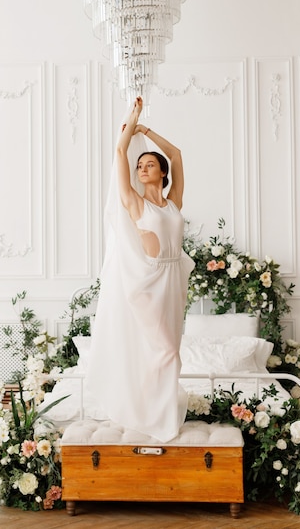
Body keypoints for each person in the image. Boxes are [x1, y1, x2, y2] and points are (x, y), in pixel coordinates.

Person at [86, 96, 194, 442]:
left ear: (161, 173)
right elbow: (120, 154)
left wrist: (148, 130)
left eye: (150, 164)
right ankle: (157, 419)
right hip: (147, 283)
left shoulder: (173, 203)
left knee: (165, 348)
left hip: (174, 279)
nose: (142, 168)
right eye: (140, 165)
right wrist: (132, 123)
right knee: (166, 350)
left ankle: (150, 409)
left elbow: (176, 154)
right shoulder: (134, 201)